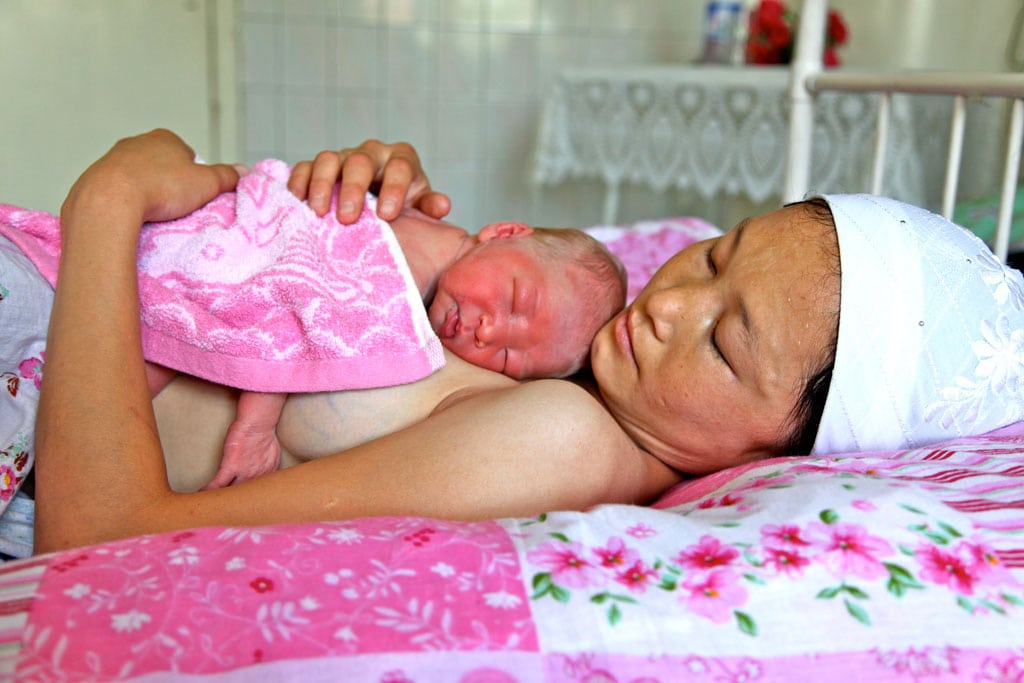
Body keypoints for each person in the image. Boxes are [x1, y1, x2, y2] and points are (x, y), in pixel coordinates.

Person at [27, 129, 1024, 554]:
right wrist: (352, 205)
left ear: (777, 448)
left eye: (725, 344)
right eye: (715, 255)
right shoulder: (568, 363)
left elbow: (104, 533)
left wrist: (112, 195)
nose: (674, 301)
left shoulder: (570, 438)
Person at [203, 196, 626, 488]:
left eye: (508, 355)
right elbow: (289, 312)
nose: (488, 332)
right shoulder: (404, 262)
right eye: (515, 301)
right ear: (504, 232)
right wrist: (256, 427)